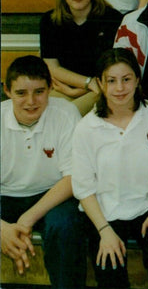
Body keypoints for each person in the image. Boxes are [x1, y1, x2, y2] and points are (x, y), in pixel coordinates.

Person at [71, 48, 148, 289]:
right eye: (111, 81)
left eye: (126, 79)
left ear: (137, 80)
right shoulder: (86, 128)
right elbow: (83, 188)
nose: (120, 88)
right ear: (100, 83)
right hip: (105, 211)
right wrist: (104, 231)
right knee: (109, 264)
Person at [1, 56, 85, 287]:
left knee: (66, 224)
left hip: (51, 195)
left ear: (50, 88)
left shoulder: (66, 114)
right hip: (5, 197)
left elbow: (73, 177)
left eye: (39, 91)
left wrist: (28, 218)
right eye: (21, 93)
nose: (31, 101)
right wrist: (2, 229)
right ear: (7, 91)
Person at [40, 0, 122, 115]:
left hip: (102, 89)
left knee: (69, 114)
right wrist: (86, 83)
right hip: (65, 87)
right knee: (42, 113)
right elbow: (52, 67)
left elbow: (115, 66)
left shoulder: (112, 19)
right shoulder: (49, 21)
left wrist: (88, 87)